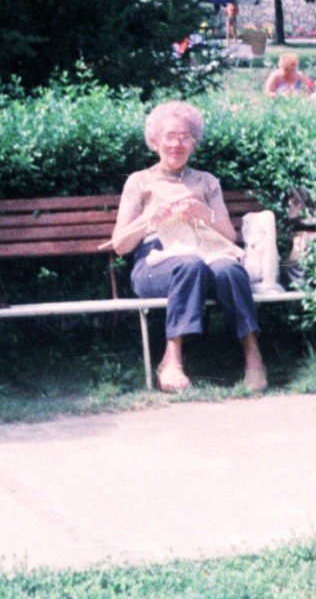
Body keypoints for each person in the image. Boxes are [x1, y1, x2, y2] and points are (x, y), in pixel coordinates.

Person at [108, 101, 268, 393]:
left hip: (206, 254)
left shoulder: (206, 182)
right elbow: (119, 246)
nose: (177, 144)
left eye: (185, 137)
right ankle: (172, 361)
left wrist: (204, 214)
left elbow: (228, 237)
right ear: (155, 141)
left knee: (230, 269)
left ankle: (253, 357)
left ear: (194, 142)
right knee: (188, 263)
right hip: (155, 264)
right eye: (170, 136)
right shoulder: (139, 181)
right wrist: (147, 218)